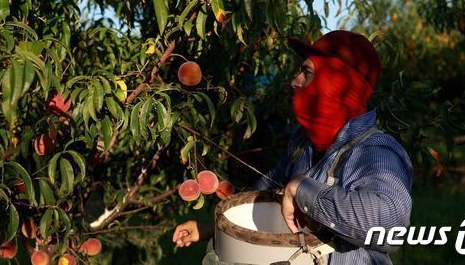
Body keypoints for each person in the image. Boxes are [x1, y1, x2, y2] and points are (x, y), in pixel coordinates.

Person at [173, 30, 413, 264]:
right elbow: (267, 190)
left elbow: (391, 225)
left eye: (306, 72)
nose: (294, 81)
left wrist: (302, 188)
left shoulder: (374, 152)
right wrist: (214, 228)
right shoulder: (305, 142)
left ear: (337, 83)